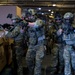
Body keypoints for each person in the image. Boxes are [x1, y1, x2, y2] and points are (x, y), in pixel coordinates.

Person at [25, 9, 46, 75]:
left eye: (31, 16)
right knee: (28, 60)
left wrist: (27, 23)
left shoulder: (40, 21)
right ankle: (31, 72)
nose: (29, 17)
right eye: (28, 16)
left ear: (34, 15)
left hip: (40, 45)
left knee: (38, 62)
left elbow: (37, 25)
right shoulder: (27, 23)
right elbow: (22, 33)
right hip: (31, 45)